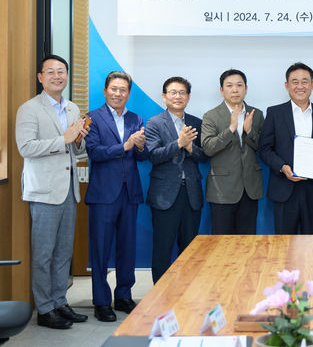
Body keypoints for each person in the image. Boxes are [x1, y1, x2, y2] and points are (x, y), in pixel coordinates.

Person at [15, 54, 89, 329]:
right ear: (40, 77)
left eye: (61, 71)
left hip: (69, 190)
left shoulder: (72, 108)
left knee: (63, 253)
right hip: (44, 191)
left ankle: (60, 301)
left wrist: (78, 141)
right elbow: (26, 147)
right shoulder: (29, 109)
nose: (57, 76)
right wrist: (63, 139)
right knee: (44, 254)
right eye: (51, 72)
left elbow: (77, 150)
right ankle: (45, 309)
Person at [85, 71, 149, 322]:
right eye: (114, 89)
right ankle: (101, 301)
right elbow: (94, 152)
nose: (118, 93)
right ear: (105, 91)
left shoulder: (136, 118)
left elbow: (141, 157)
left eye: (123, 90)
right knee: (100, 250)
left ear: (129, 94)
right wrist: (124, 146)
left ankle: (123, 295)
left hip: (129, 192)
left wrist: (140, 147)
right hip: (103, 193)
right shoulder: (92, 118)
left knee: (127, 248)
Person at [258, 62, 313, 234]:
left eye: (304, 81)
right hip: (284, 187)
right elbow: (264, 149)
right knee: (284, 245)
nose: (300, 86)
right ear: (287, 85)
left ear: (312, 84)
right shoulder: (274, 113)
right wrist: (282, 167)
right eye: (295, 82)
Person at [145, 76, 207, 284]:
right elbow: (154, 155)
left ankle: (186, 293)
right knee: (162, 248)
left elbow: (204, 157)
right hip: (165, 196)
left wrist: (191, 148)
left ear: (188, 97)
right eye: (173, 92)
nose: (177, 96)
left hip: (191, 194)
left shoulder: (196, 123)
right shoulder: (154, 123)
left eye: (182, 93)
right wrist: (179, 144)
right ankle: (160, 296)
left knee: (189, 249)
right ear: (164, 97)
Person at [202, 69, 264, 234]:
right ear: (222, 90)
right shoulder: (211, 116)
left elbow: (263, 147)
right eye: (229, 86)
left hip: (250, 188)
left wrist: (250, 132)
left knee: (248, 241)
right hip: (221, 190)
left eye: (239, 85)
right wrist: (230, 129)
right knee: (221, 242)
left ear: (246, 89)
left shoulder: (257, 114)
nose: (235, 90)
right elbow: (208, 148)